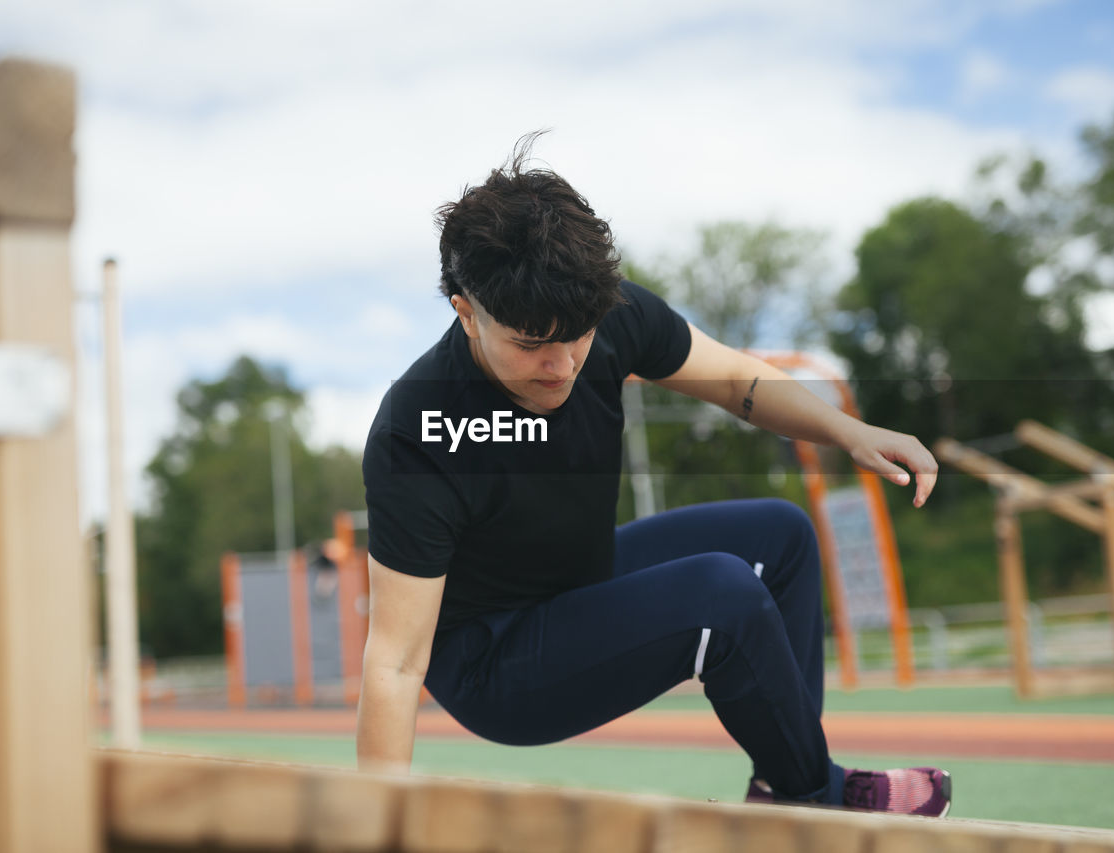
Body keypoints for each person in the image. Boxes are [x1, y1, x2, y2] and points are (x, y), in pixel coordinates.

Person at [357, 134, 951, 816]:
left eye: (576, 336)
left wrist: (850, 431)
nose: (563, 364)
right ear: (466, 309)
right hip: (496, 663)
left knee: (781, 537)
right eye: (530, 344)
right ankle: (816, 796)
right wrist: (375, 827)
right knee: (720, 592)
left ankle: (790, 786)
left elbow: (733, 379)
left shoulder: (607, 311)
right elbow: (395, 662)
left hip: (578, 577)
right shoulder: (420, 427)